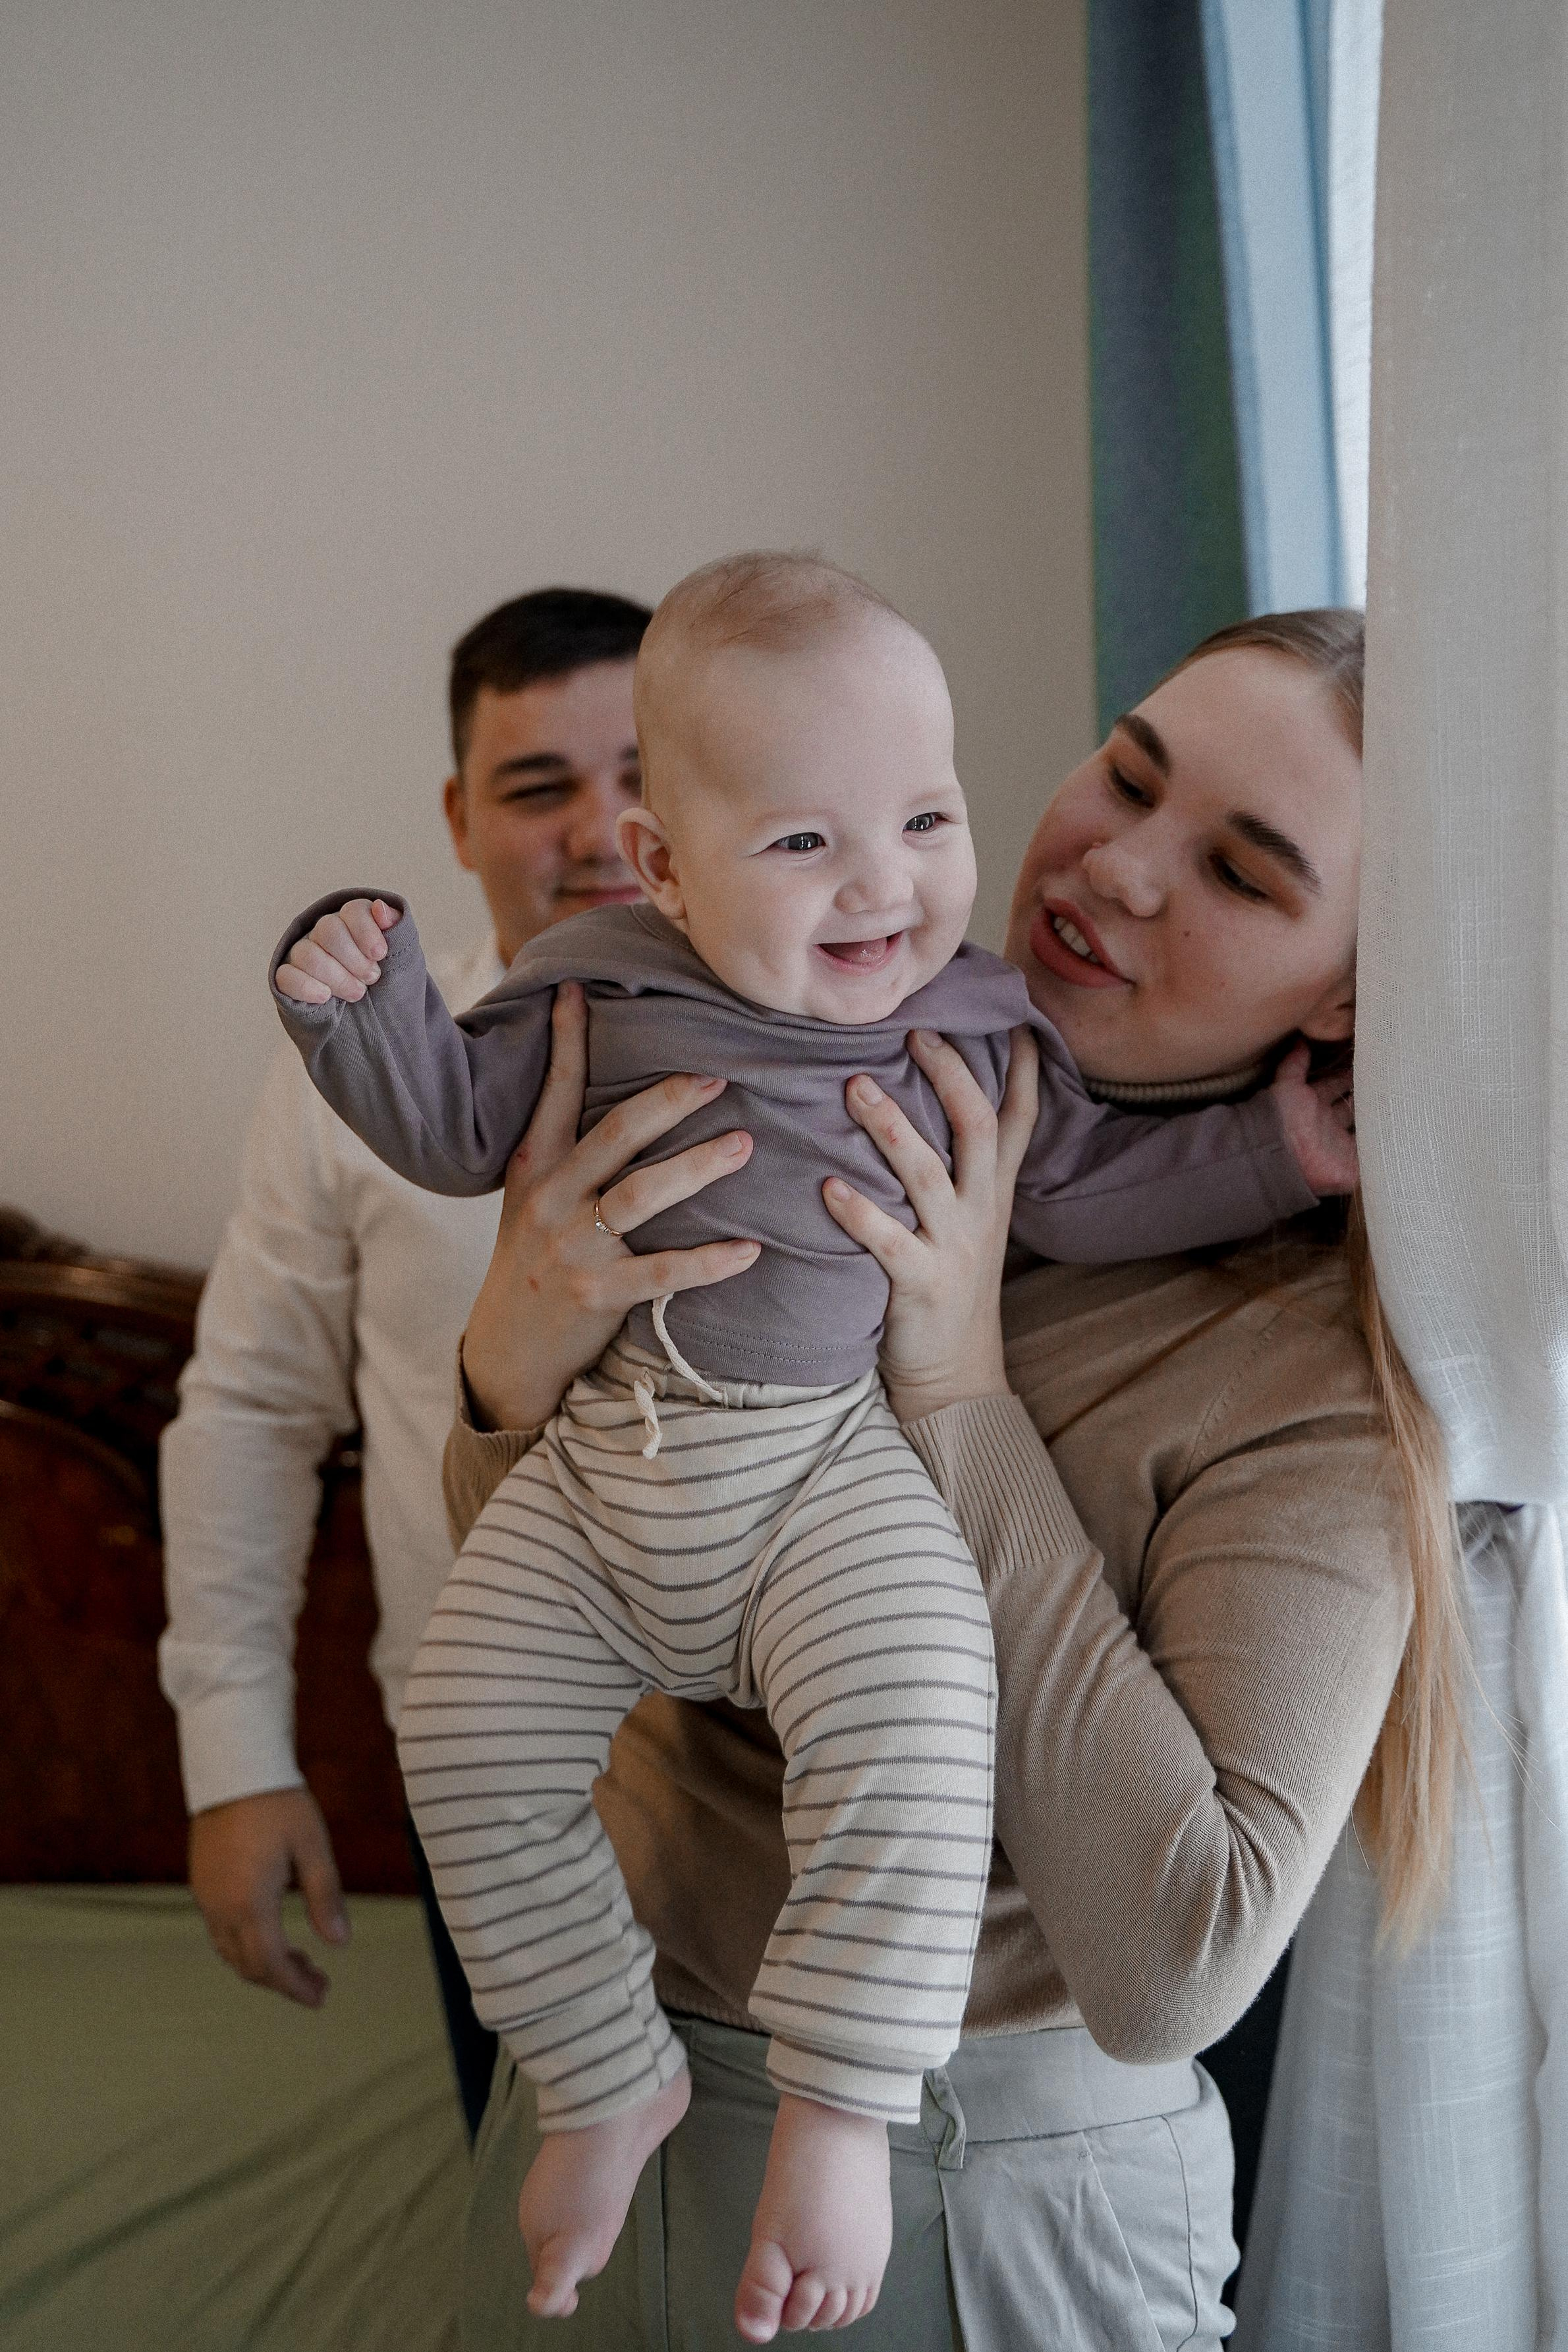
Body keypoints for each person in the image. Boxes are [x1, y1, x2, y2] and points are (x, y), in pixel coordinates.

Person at [266, 557, 1355, 2335]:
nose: (886, 881)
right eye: (1129, 774)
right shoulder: (601, 985)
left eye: (924, 817)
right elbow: (457, 1131)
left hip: (966, 2139)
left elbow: (1091, 1188)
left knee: (918, 1696)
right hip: (626, 1491)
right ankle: (592, 2066)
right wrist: (495, 1341)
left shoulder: (1027, 1087)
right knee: (454, 1713)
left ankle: (843, 2102)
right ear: (668, 868)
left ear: (1345, 990)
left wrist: (1256, 1180)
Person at [158, 584, 653, 2143]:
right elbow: (247, 1409)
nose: (598, 827)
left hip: (783, 1767)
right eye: (537, 787)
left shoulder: (828, 1044)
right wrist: (233, 1756)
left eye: (644, 772)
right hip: (489, 1779)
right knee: (547, 2217)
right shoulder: (344, 1076)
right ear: (455, 817)